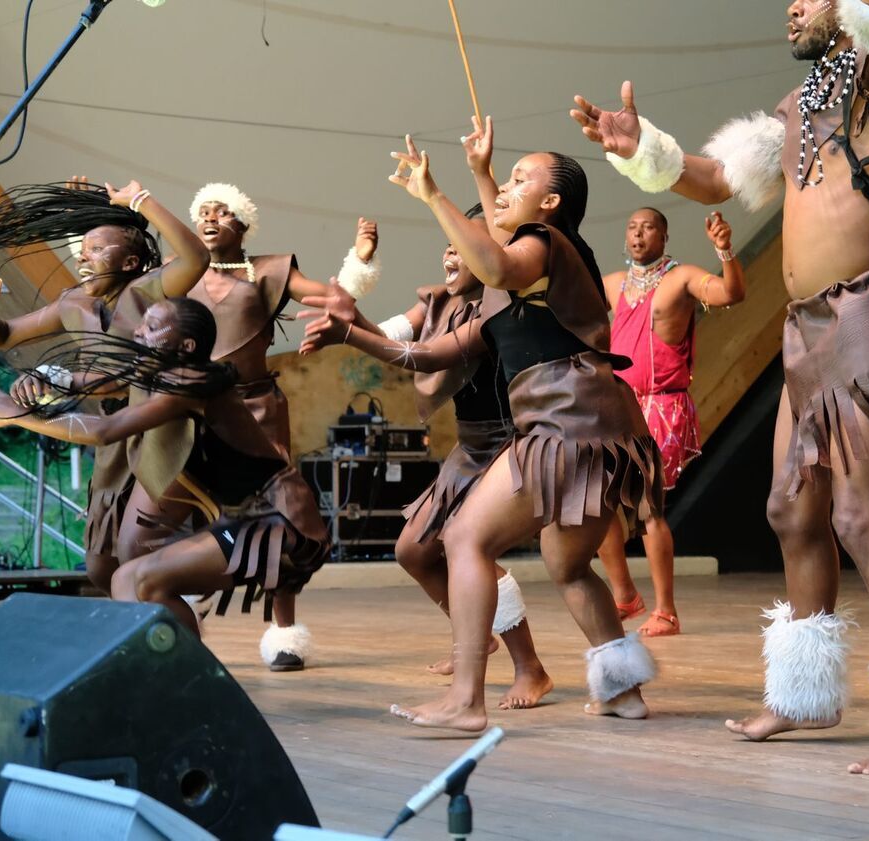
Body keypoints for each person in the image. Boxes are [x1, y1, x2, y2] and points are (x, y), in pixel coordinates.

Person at [573, 0, 869, 775]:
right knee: (789, 506)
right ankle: (806, 697)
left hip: (863, 317)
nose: (791, 9)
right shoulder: (802, 104)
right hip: (802, 330)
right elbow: (714, 179)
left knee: (860, 516)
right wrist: (643, 151)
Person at [304, 127, 662, 732]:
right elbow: (428, 355)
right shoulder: (509, 298)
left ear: (550, 204)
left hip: (568, 424)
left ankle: (466, 699)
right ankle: (624, 691)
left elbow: (498, 256)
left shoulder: (548, 241)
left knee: (464, 537)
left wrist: (433, 192)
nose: (507, 188)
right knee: (568, 564)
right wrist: (350, 335)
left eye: (522, 179)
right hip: (601, 426)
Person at [299, 204, 553, 710]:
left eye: (464, 245)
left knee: (470, 550)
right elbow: (387, 337)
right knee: (414, 550)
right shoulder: (438, 303)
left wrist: (351, 332)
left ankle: (531, 669)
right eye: (448, 245)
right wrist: (355, 281)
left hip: (510, 441)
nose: (450, 254)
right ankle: (475, 638)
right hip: (470, 443)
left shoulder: (502, 311)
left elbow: (427, 357)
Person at [0, 298, 330, 637]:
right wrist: (44, 379)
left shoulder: (193, 380)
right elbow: (97, 381)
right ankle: (183, 681)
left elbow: (107, 431)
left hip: (279, 522)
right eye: (143, 324)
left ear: (186, 347)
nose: (139, 331)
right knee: (127, 581)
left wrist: (21, 417)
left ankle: (194, 683)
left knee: (142, 582)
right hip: (246, 517)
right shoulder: (161, 373)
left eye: (153, 327)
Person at [0, 180, 209, 593]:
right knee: (100, 568)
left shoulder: (151, 289)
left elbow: (196, 256)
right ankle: (158, 596)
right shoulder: (71, 303)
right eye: (83, 249)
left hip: (161, 428)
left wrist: (141, 202)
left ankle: (173, 602)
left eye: (96, 250)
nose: (82, 257)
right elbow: (4, 336)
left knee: (134, 557)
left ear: (130, 263)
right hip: (113, 439)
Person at [174, 184, 381, 670]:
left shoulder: (270, 270)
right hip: (194, 410)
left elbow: (334, 298)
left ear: (243, 225)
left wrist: (360, 259)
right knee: (187, 508)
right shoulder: (181, 273)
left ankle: (284, 631)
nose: (210, 218)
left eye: (222, 212)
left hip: (257, 409)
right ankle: (186, 608)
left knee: (280, 516)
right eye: (203, 211)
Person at [595, 207, 745, 636]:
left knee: (647, 508)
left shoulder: (681, 278)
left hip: (662, 407)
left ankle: (666, 611)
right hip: (617, 406)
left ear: (663, 236)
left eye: (648, 228)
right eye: (632, 226)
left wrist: (724, 251)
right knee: (597, 504)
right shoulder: (613, 284)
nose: (638, 234)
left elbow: (731, 294)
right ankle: (625, 595)